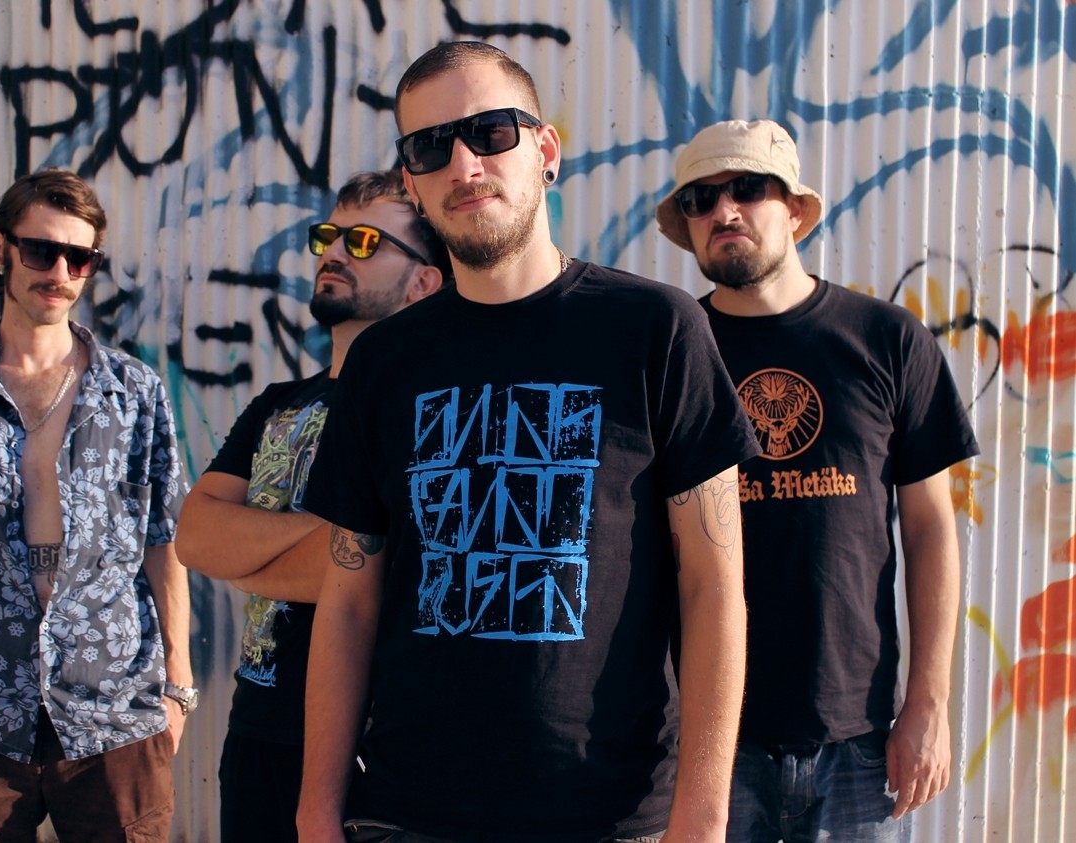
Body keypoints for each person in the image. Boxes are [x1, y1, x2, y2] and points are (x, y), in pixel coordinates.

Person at [296, 42, 760, 843]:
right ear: (412, 182)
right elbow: (347, 601)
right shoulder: (383, 360)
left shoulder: (654, 329)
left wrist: (702, 817)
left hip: (611, 818)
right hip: (407, 816)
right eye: (430, 146)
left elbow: (713, 587)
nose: (463, 163)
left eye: (490, 132)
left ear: (545, 150)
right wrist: (315, 809)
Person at [655, 119, 980, 843]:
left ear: (796, 210)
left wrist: (928, 702)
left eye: (747, 188)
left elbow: (930, 529)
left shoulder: (887, 339)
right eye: (700, 200)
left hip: (854, 739)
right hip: (704, 741)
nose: (723, 210)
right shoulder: (672, 352)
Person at [0, 169, 194, 842]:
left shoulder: (134, 392)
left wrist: (178, 689)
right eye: (42, 251)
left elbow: (164, 543)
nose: (60, 273)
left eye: (80, 258)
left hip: (115, 713)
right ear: (1, 251)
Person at [175, 168, 449, 843]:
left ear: (424, 281)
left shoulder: (435, 416)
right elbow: (195, 537)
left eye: (364, 241)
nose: (334, 252)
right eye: (328, 236)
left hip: (377, 749)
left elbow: (395, 570)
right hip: (259, 733)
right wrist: (336, 535)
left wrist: (251, 560)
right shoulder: (278, 404)